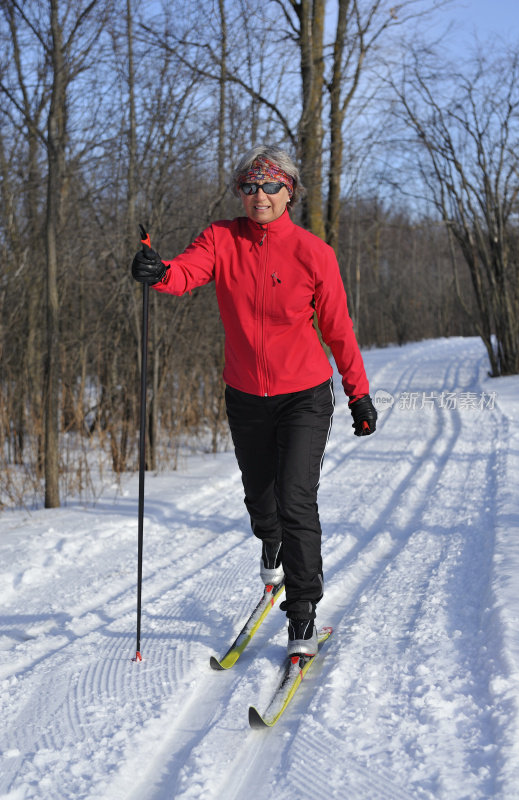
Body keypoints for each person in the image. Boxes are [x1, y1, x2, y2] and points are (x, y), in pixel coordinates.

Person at [131, 144, 377, 657]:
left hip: (304, 396)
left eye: (270, 186)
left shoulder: (314, 253)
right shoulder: (222, 238)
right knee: (262, 503)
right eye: (249, 186)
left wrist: (359, 394)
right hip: (245, 395)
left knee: (296, 501)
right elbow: (185, 273)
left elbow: (338, 330)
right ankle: (270, 541)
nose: (259, 196)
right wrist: (158, 272)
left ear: (289, 191)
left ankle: (304, 613)